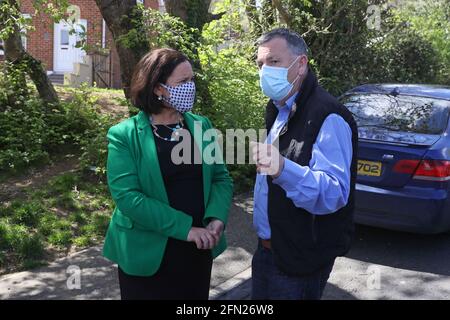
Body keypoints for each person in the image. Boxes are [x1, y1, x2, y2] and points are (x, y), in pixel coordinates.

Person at [103, 48, 233, 300]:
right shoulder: (123, 135)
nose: (191, 87)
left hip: (198, 248)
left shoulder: (201, 125)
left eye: (192, 80)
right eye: (183, 82)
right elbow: (128, 197)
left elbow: (220, 178)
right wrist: (187, 229)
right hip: (147, 252)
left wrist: (217, 219)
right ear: (157, 88)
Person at [250, 28, 358, 300]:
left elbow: (334, 193)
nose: (265, 71)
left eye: (274, 62)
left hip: (299, 260)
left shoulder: (328, 115)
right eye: (260, 64)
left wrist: (283, 169)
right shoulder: (278, 108)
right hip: (268, 250)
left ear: (301, 65)